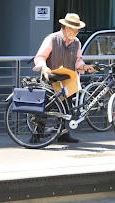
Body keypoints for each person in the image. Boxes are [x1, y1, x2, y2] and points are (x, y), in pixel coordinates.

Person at [33, 13, 96, 143]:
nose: (77, 32)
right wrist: (44, 68)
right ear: (66, 28)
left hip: (67, 80)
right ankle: (36, 134)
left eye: (78, 30)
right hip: (50, 79)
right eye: (75, 29)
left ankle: (63, 134)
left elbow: (78, 61)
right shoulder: (52, 39)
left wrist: (85, 67)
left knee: (67, 109)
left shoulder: (77, 42)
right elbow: (40, 57)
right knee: (44, 108)